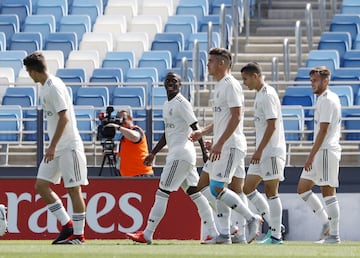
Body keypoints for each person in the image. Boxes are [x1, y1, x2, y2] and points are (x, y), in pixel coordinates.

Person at [125, 72, 219, 244]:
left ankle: (147, 234)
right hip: (181, 155)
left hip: (180, 155)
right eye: (168, 81)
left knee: (162, 192)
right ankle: (215, 231)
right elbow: (168, 134)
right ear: (163, 84)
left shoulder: (182, 103)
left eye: (174, 81)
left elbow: (195, 127)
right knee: (196, 194)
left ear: (180, 84)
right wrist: (153, 153)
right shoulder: (167, 104)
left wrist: (205, 153)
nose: (171, 83)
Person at [190, 48, 262, 244]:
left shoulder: (230, 85)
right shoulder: (220, 85)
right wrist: (204, 133)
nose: (208, 65)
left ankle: (250, 218)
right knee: (209, 186)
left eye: (211, 61)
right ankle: (231, 234)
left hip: (230, 146)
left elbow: (237, 116)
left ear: (222, 63)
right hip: (225, 144)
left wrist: (219, 143)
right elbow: (223, 119)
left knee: (216, 188)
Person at [23, 52, 88, 245]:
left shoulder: (54, 87)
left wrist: (51, 146)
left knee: (73, 190)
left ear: (34, 71)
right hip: (57, 148)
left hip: (68, 146)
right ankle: (67, 225)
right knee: (41, 185)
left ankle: (79, 235)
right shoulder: (44, 88)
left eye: (28, 71)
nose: (29, 75)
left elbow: (64, 117)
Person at [240, 62, 286, 244]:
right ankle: (275, 224)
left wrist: (258, 150)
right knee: (248, 187)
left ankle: (276, 235)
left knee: (271, 191)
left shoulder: (267, 95)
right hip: (262, 152)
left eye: (245, 79)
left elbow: (272, 125)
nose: (244, 83)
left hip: (272, 151)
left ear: (255, 76)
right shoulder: (260, 94)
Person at [297, 66, 341, 244]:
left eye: (315, 80)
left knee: (328, 192)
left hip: (325, 151)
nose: (312, 84)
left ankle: (334, 235)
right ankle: (326, 224)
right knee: (302, 188)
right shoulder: (323, 99)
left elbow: (323, 131)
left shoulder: (328, 100)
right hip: (320, 152)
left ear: (326, 81)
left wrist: (310, 155)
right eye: (311, 81)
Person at [105, 109, 154, 177]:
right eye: (119, 119)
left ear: (130, 118)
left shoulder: (136, 130)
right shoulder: (124, 137)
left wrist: (119, 128)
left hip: (141, 175)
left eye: (123, 119)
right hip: (128, 176)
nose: (121, 122)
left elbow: (135, 137)